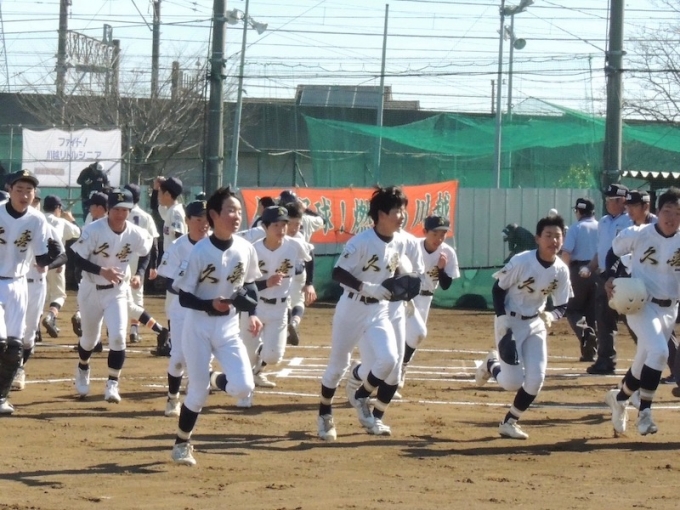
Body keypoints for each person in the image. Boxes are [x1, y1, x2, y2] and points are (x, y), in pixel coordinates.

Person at [170, 187, 262, 466]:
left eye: (239, 211)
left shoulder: (245, 248)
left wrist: (253, 312)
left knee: (244, 387)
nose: (236, 216)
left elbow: (250, 285)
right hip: (197, 326)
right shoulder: (199, 251)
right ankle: (181, 444)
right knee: (197, 394)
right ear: (214, 215)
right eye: (230, 210)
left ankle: (214, 379)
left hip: (229, 328)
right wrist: (209, 304)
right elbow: (183, 296)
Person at [316, 186, 411, 441]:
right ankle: (324, 413)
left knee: (389, 360)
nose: (402, 215)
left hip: (378, 310)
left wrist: (404, 285)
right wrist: (367, 287)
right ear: (381, 214)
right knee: (338, 366)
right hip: (351, 308)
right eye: (397, 210)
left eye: (403, 210)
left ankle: (361, 396)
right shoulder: (361, 242)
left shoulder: (400, 241)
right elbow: (338, 272)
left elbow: (395, 271)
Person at [476, 215, 571, 439]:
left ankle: (509, 422)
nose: (553, 240)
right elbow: (498, 289)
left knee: (536, 380)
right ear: (537, 238)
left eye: (557, 236)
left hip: (536, 323)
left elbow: (563, 305)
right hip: (510, 321)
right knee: (512, 383)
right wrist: (502, 319)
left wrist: (551, 316)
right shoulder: (522, 261)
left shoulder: (561, 270)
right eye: (548, 235)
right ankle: (491, 364)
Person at [603, 187, 680, 436]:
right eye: (668, 211)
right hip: (640, 304)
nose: (672, 217)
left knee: (641, 364)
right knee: (660, 352)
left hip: (670, 309)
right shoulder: (639, 234)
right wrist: (609, 277)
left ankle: (619, 398)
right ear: (657, 211)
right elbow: (613, 253)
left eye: (678, 213)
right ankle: (645, 413)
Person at [71, 188, 152, 403]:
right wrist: (101, 271)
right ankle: (83, 366)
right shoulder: (93, 229)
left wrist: (140, 273)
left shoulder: (135, 233)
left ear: (130, 210)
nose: (120, 214)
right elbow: (76, 258)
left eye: (125, 209)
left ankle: (112, 384)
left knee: (117, 337)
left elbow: (147, 251)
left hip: (117, 291)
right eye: (116, 209)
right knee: (89, 340)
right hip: (90, 289)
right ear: (108, 209)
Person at [0, 170, 61, 414]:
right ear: (10, 190)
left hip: (18, 285)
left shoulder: (37, 220)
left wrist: (54, 255)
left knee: (15, 348)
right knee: (0, 342)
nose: (24, 195)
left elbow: (41, 258)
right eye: (19, 189)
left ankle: (1, 398)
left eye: (29, 190)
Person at [239, 205, 311, 405]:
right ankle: (245, 394)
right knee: (247, 354)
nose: (281, 229)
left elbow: (309, 257)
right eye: (276, 225)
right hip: (254, 306)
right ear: (265, 226)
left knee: (273, 356)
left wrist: (310, 283)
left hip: (280, 308)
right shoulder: (253, 249)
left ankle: (259, 362)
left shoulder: (293, 245)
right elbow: (244, 285)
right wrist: (266, 283)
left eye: (284, 224)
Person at [156, 200, 210, 417]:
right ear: (187, 220)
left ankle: (194, 391)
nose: (204, 224)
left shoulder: (216, 245)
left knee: (203, 358)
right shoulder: (178, 247)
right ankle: (172, 398)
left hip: (207, 310)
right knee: (178, 357)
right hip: (181, 309)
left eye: (207, 219)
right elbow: (168, 282)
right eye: (198, 219)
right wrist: (190, 288)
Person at [13, 194, 67, 392]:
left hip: (35, 285)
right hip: (11, 283)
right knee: (10, 332)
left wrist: (48, 265)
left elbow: (62, 255)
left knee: (28, 336)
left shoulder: (40, 222)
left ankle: (19, 368)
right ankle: (12, 369)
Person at [399, 215, 459, 391]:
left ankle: (401, 366)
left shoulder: (447, 253)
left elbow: (446, 285)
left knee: (415, 337)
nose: (439, 238)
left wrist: (441, 269)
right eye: (435, 233)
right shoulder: (413, 246)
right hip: (406, 297)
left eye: (443, 234)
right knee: (409, 333)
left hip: (426, 298)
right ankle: (389, 370)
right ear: (425, 232)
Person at [586, 183, 634, 375]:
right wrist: (591, 267)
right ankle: (605, 360)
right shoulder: (604, 222)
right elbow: (601, 249)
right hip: (605, 275)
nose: (607, 203)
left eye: (611, 200)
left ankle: (650, 357)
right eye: (606, 200)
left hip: (625, 275)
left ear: (623, 201)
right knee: (604, 319)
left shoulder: (630, 221)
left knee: (633, 318)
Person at [560, 198, 599, 362]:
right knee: (592, 312)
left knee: (572, 309)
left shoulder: (576, 227)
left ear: (579, 211)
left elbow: (566, 253)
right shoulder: (601, 226)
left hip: (578, 271)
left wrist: (563, 273)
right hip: (598, 270)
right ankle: (590, 353)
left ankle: (585, 333)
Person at [40, 195, 81, 338]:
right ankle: (51, 316)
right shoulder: (61, 222)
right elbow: (79, 233)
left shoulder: (37, 219)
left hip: (37, 263)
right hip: (57, 262)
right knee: (58, 294)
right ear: (57, 208)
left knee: (39, 295)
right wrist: (71, 219)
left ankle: (35, 329)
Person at [124, 183, 160, 343]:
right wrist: (153, 265)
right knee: (136, 294)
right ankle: (134, 330)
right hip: (138, 259)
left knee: (115, 293)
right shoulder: (145, 217)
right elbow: (153, 243)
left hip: (120, 258)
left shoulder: (117, 212)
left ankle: (112, 329)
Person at [283, 201, 317, 346]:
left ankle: (292, 325)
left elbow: (310, 257)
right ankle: (293, 323)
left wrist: (309, 283)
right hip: (284, 276)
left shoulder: (298, 237)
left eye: (297, 224)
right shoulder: (277, 233)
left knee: (295, 302)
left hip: (295, 275)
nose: (294, 228)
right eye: (290, 223)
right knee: (290, 302)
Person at [152, 176, 187, 266]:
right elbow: (154, 206)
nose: (158, 196)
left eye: (160, 192)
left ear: (167, 194)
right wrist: (156, 189)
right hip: (171, 258)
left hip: (176, 260)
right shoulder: (169, 209)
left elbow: (180, 237)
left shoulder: (175, 212)